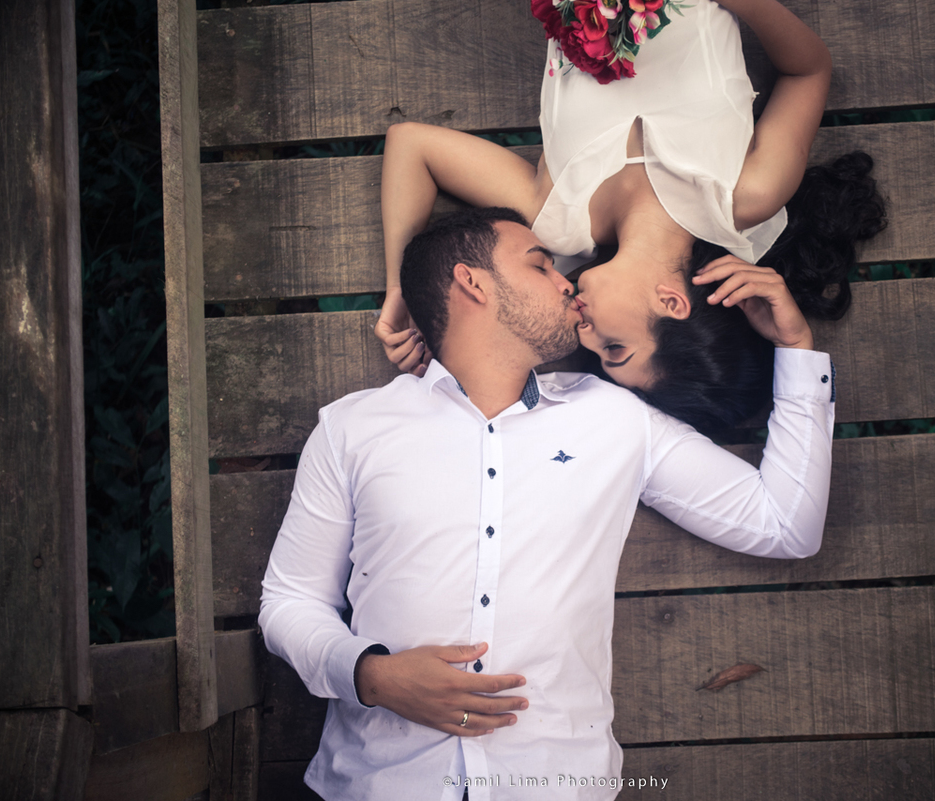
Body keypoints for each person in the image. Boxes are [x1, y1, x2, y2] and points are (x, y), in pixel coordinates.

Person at [259, 206, 837, 800]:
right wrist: (370, 674)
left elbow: (785, 525)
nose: (567, 283)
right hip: (380, 785)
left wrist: (795, 348)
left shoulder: (616, 420)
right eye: (540, 266)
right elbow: (289, 600)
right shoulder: (353, 428)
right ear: (473, 283)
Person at [375, 0, 884, 435]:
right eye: (614, 348)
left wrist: (401, 288)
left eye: (599, 357)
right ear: (671, 302)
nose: (584, 335)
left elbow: (412, 146)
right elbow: (809, 70)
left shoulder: (557, 220)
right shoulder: (748, 193)